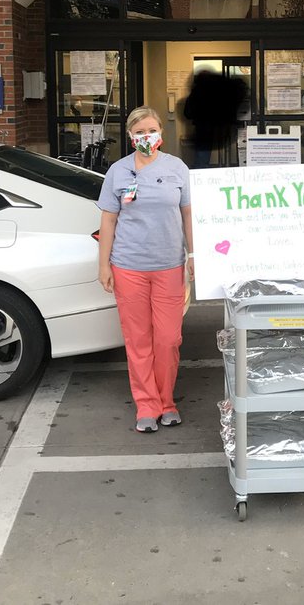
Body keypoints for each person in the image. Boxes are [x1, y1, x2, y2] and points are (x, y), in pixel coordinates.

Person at [97, 106, 194, 432]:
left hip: (169, 266)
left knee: (168, 339)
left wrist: (193, 255)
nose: (146, 137)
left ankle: (167, 401)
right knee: (138, 340)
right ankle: (147, 406)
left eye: (151, 131)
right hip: (128, 267)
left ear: (161, 134)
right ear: (130, 137)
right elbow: (108, 220)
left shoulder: (177, 168)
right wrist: (104, 265)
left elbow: (188, 215)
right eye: (139, 133)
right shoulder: (118, 171)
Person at [182, 70, 247, 168]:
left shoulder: (196, 93)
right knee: (205, 155)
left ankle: (200, 176)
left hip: (202, 129)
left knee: (202, 156)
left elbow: (187, 113)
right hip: (218, 128)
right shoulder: (216, 92)